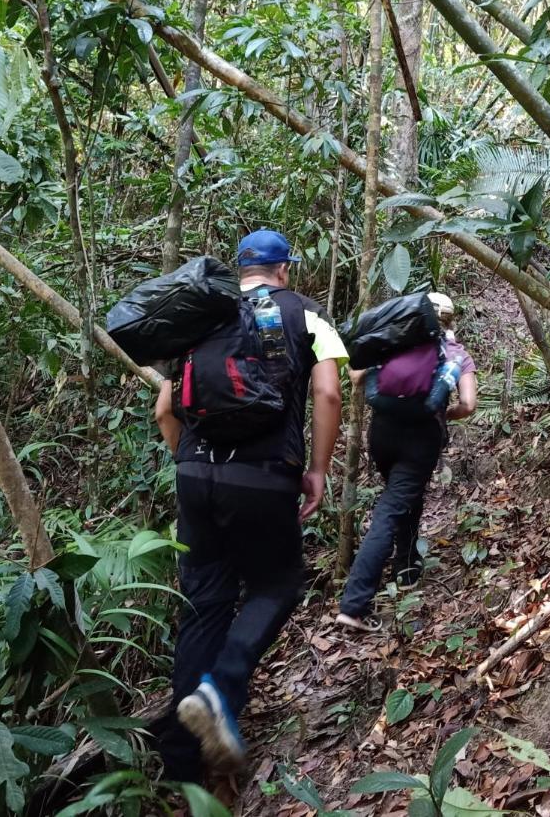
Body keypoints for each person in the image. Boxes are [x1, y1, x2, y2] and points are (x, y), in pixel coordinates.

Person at [153, 229, 347, 780]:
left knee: (204, 603)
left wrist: (194, 465)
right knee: (276, 585)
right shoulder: (308, 314)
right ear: (283, 268)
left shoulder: (204, 315)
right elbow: (328, 394)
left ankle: (183, 765)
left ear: (241, 270)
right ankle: (223, 685)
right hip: (263, 476)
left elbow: (166, 409)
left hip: (194, 473)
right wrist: (317, 470)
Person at [337, 292, 477, 632]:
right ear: (451, 320)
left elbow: (356, 377)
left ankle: (407, 566)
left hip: (383, 434)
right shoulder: (457, 354)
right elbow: (469, 405)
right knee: (392, 506)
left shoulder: (394, 342)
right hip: (421, 436)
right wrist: (443, 410)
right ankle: (354, 604)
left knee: (401, 497)